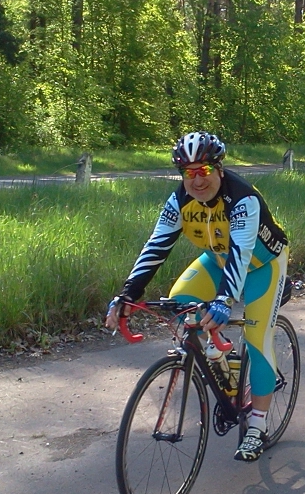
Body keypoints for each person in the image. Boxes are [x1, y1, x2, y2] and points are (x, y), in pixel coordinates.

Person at [105, 131, 290, 462]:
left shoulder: (243, 199)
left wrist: (224, 300)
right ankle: (223, 362)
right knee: (180, 303)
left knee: (257, 337)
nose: (197, 180)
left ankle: (257, 426)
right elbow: (156, 246)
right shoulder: (179, 201)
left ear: (219, 169)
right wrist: (127, 295)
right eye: (188, 172)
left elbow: (241, 253)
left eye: (203, 170)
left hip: (263, 266)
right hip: (217, 261)